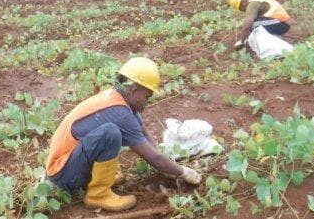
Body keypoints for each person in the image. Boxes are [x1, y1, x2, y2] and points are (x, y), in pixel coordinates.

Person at [45, 57, 202, 212]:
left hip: (69, 163)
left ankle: (96, 180)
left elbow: (142, 130)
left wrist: (166, 165)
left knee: (109, 132)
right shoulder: (120, 113)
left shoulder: (119, 99)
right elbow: (153, 158)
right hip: (63, 174)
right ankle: (97, 195)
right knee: (110, 133)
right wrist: (183, 172)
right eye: (147, 96)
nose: (148, 101)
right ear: (134, 90)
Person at [227, 0, 291, 50]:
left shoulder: (252, 4)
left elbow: (247, 24)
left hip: (281, 24)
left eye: (240, 8)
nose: (241, 10)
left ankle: (269, 46)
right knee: (255, 24)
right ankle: (275, 37)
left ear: (242, 3)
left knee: (253, 25)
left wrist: (241, 41)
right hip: (280, 23)